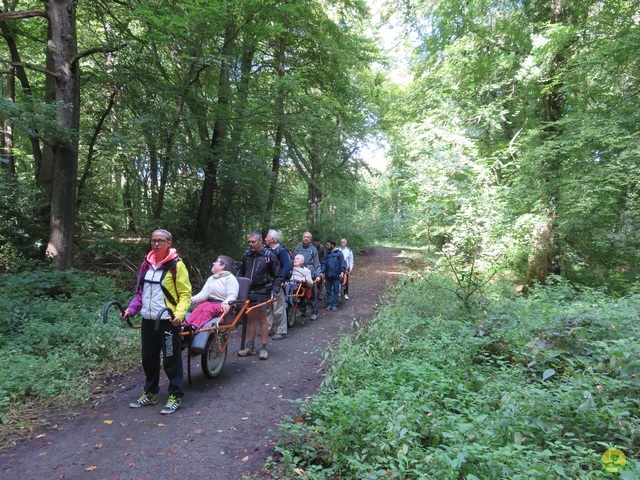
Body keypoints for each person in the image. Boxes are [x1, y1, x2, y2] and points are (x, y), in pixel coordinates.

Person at [120, 229, 192, 415]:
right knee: (148, 359)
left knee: (171, 360)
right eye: (153, 240)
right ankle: (150, 393)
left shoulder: (177, 266)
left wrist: (179, 315)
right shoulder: (146, 265)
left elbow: (185, 295)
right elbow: (140, 294)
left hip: (168, 321)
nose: (156, 244)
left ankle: (175, 395)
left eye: (160, 240)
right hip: (148, 320)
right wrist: (130, 310)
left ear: (169, 242)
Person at [236, 231, 282, 360]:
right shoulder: (246, 256)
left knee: (262, 318)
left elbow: (277, 275)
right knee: (250, 318)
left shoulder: (269, 256)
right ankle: (250, 347)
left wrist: (275, 290)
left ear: (260, 241)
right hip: (249, 292)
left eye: (253, 242)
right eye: (249, 242)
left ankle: (263, 347)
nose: (251, 244)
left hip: (263, 291)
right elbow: (242, 272)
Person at [187, 255, 239, 328]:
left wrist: (226, 303)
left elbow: (232, 295)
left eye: (216, 261)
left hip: (222, 304)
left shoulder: (230, 279)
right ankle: (185, 326)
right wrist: (191, 300)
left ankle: (194, 326)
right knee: (200, 308)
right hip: (210, 303)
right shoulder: (211, 278)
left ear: (222, 266)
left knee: (209, 308)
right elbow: (203, 294)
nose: (213, 263)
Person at [265, 229, 292, 340]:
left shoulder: (281, 251)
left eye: (267, 237)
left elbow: (286, 266)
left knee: (278, 307)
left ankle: (281, 331)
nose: (265, 239)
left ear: (272, 239)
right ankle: (269, 329)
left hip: (277, 282)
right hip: (267, 283)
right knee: (268, 307)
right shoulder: (266, 250)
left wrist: (280, 280)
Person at [292, 231, 321, 320]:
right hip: (298, 272)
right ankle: (302, 310)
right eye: (304, 237)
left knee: (310, 293)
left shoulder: (313, 249)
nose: (306, 238)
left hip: (309, 273)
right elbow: (293, 259)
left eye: (308, 237)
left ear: (310, 239)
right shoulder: (298, 248)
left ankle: (314, 312)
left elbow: (316, 262)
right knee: (299, 293)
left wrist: (318, 274)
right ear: (302, 238)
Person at [321, 240, 345, 311]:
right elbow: (324, 264)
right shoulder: (326, 255)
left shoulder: (339, 254)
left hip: (336, 276)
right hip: (328, 276)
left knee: (336, 291)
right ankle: (329, 304)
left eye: (328, 245)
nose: (327, 246)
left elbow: (342, 263)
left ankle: (335, 305)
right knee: (328, 291)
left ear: (332, 245)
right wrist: (322, 272)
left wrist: (342, 272)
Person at [312, 235, 326, 300]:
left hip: (319, 265)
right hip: (312, 266)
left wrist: (323, 265)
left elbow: (324, 256)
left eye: (317, 241)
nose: (316, 243)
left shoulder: (321, 247)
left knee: (320, 280)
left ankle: (320, 294)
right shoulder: (311, 247)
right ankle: (312, 295)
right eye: (315, 241)